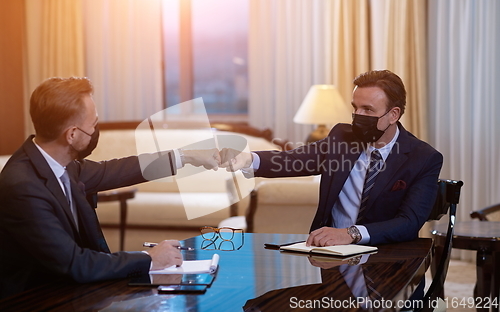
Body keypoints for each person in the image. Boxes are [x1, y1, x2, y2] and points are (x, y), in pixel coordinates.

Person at [0, 77, 221, 298]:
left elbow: (117, 170)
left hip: (69, 288)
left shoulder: (58, 163)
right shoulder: (23, 187)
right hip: (32, 299)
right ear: (72, 134)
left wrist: (185, 156)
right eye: (93, 125)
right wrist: (150, 258)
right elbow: (76, 264)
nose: (96, 130)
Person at [220, 70, 443, 248]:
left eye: (368, 110)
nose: (359, 117)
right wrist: (246, 159)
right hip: (329, 255)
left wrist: (350, 234)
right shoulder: (342, 138)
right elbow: (293, 159)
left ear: (393, 114)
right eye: (355, 108)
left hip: (387, 255)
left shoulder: (423, 158)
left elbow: (408, 223)